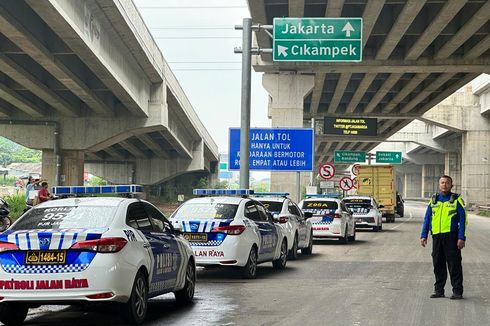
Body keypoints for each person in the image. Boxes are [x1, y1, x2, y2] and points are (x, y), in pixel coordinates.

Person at [420, 175, 467, 300]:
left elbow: (463, 220)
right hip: (437, 236)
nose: (444, 185)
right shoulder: (433, 200)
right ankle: (439, 290)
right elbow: (427, 218)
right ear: (439, 185)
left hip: (451, 236)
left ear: (451, 185)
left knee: (454, 264)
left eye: (447, 183)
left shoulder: (457, 200)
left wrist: (461, 237)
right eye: (442, 182)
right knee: (438, 263)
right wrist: (423, 235)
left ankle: (457, 291)